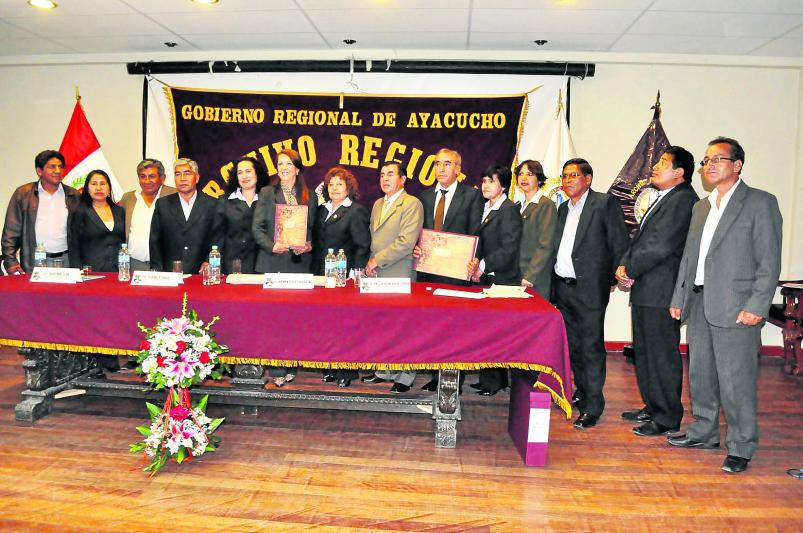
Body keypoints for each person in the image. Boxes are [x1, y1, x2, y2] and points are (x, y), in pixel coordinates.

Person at [668, 137, 782, 474]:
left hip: (738, 307)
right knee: (701, 374)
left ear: (737, 165)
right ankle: (703, 431)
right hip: (701, 302)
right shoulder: (702, 207)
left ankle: (742, 445)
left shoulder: (760, 203)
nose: (709, 165)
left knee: (736, 380)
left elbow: (768, 260)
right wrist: (680, 296)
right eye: (705, 160)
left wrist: (758, 305)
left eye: (718, 158)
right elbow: (690, 257)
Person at [615, 146, 699, 437]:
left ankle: (667, 417)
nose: (654, 165)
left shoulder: (683, 200)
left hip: (661, 291)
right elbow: (640, 240)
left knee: (661, 354)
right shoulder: (663, 198)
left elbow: (660, 246)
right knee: (646, 352)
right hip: (646, 289)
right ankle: (652, 405)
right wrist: (625, 265)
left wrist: (631, 270)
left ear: (680, 173)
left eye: (663, 162)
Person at [552, 158, 628, 429]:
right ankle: (582, 391)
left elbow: (618, 241)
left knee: (591, 347)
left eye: (574, 175)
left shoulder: (603, 203)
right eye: (565, 176)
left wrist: (615, 276)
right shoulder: (562, 209)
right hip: (563, 287)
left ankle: (594, 405)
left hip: (589, 289)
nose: (568, 180)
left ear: (588, 179)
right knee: (573, 347)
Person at [415, 147, 484, 391]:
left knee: (453, 326)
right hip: (429, 271)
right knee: (431, 325)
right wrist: (416, 248)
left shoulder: (471, 196)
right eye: (437, 164)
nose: (441, 168)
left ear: (458, 169)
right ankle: (436, 374)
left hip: (455, 273)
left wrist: (474, 260)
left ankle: (454, 376)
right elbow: (419, 233)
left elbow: (476, 232)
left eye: (446, 164)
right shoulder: (424, 196)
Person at [252, 149, 316, 387]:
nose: (284, 167)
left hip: (299, 266)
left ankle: (291, 364)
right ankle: (277, 368)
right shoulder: (268, 192)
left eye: (288, 163)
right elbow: (257, 228)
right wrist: (272, 245)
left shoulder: (310, 196)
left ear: (297, 168)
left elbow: (313, 232)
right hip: (273, 263)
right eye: (280, 164)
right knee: (274, 320)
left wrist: (309, 245)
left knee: (295, 320)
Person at [362, 161, 424, 393]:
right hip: (377, 272)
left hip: (399, 271)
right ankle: (384, 370)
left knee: (404, 327)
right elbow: (374, 239)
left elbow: (406, 242)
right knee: (383, 324)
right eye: (382, 175)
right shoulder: (378, 203)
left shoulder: (411, 204)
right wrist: (370, 264)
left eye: (390, 174)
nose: (385, 178)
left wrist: (378, 260)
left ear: (403, 179)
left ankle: (405, 376)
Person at [313, 167, 371, 388]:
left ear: (348, 188)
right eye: (331, 184)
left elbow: (363, 245)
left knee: (344, 325)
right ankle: (330, 367)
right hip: (322, 275)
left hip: (344, 276)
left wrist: (356, 272)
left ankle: (347, 371)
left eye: (339, 184)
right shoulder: (321, 209)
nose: (335, 188)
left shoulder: (355, 211)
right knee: (326, 323)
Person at [468, 165, 523, 395]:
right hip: (484, 276)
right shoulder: (485, 207)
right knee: (483, 329)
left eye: (491, 181)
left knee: (496, 332)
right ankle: (488, 377)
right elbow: (480, 240)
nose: (486, 185)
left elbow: (509, 249)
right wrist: (474, 261)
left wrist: (482, 265)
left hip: (501, 278)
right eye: (484, 181)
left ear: (503, 185)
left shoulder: (509, 209)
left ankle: (496, 381)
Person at [2, 150, 80, 273]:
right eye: (52, 167)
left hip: (67, 261)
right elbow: (11, 231)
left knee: (65, 293)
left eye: (60, 167)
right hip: (36, 261)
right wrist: (10, 261)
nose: (58, 171)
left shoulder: (73, 195)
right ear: (39, 171)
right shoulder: (23, 194)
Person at [149, 158, 217, 274]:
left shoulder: (212, 204)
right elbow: (155, 241)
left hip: (202, 273)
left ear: (197, 178)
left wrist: (209, 261)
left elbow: (217, 238)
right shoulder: (163, 204)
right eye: (177, 174)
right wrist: (157, 271)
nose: (182, 179)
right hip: (170, 273)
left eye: (187, 173)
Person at [213, 157, 268, 275]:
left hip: (261, 266)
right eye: (240, 172)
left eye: (248, 171)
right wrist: (215, 266)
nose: (244, 176)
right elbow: (218, 238)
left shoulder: (268, 200)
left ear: (257, 173)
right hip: (233, 266)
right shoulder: (225, 201)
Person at [120, 159, 177, 271]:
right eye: (142, 176)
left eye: (152, 176)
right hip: (134, 264)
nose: (147, 181)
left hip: (166, 265)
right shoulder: (128, 198)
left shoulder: (174, 195)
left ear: (163, 178)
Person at [68, 170, 126, 272]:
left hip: (119, 271)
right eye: (94, 184)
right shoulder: (79, 212)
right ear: (87, 188)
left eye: (103, 184)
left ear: (109, 189)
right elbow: (74, 246)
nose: (98, 188)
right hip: (90, 272)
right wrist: (76, 272)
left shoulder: (119, 211)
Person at [516, 160, 556, 299]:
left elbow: (546, 245)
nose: (524, 178)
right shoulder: (518, 206)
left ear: (539, 179)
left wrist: (530, 276)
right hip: (516, 275)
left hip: (533, 278)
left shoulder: (546, 205)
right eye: (520, 174)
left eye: (530, 174)